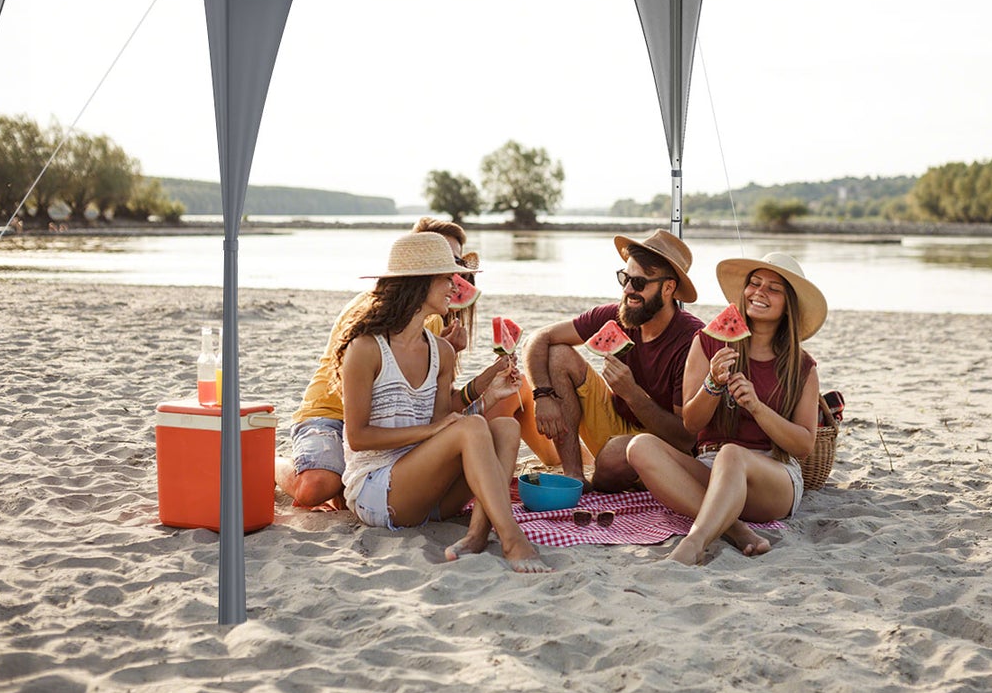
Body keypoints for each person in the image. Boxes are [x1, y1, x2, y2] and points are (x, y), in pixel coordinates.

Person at [337, 231, 548, 573]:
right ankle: (512, 539)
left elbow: (444, 424)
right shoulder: (366, 349)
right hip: (380, 491)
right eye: (445, 278)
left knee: (506, 427)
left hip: (431, 495)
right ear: (418, 284)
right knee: (474, 427)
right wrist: (433, 430)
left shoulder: (442, 352)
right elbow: (359, 437)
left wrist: (490, 396)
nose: (455, 285)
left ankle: (478, 533)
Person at [278, 218, 504, 510]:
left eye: (457, 263)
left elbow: (431, 405)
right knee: (317, 488)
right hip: (330, 412)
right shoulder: (369, 314)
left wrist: (463, 365)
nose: (455, 278)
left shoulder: (432, 323)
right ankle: (276, 464)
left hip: (381, 428)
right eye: (447, 263)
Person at [626, 252, 826, 565]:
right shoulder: (708, 342)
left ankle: (694, 543)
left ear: (789, 304)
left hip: (771, 476)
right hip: (710, 465)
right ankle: (734, 529)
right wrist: (713, 384)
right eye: (754, 283)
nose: (759, 292)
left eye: (773, 289)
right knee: (640, 447)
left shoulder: (803, 367)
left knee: (732, 454)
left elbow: (803, 444)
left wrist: (757, 408)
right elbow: (691, 424)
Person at [519, 229, 703, 492]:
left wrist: (633, 395)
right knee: (558, 354)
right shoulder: (615, 315)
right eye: (624, 278)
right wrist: (542, 395)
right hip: (615, 425)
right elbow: (538, 338)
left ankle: (602, 482)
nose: (628, 290)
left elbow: (685, 440)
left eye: (639, 283)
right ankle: (574, 479)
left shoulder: (690, 341)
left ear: (668, 288)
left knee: (615, 455)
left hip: (664, 450)